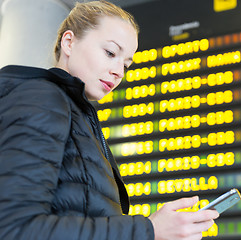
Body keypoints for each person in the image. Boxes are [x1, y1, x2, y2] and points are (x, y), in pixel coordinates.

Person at [0, 1, 219, 240]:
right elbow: (15, 228)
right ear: (69, 42)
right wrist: (150, 230)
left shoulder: (79, 119)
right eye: (110, 53)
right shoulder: (42, 98)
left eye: (126, 64)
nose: (119, 72)